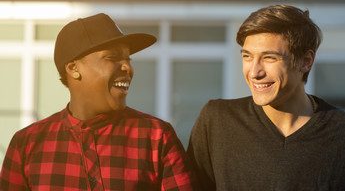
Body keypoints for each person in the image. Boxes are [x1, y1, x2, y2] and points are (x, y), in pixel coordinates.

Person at [187, 5, 345, 190]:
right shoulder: (216, 121)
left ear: (306, 62)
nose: (254, 72)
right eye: (247, 56)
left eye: (269, 58)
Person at [0, 13, 198, 190]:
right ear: (73, 68)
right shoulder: (26, 144)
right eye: (112, 57)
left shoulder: (157, 138)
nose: (128, 68)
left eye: (128, 60)